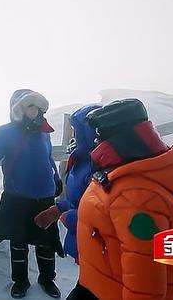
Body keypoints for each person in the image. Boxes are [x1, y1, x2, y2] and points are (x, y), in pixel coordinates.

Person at [68, 99, 173, 300]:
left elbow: (145, 277)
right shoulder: (123, 170)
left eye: (99, 137)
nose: (95, 143)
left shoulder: (136, 197)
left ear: (120, 139)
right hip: (99, 283)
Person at [0, 89, 64, 299]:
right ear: (18, 110)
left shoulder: (44, 130)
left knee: (46, 241)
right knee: (19, 241)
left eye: (36, 106)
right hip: (18, 195)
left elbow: (48, 156)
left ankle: (47, 279)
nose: (34, 110)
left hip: (44, 193)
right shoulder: (6, 131)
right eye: (29, 106)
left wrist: (55, 177)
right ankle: (20, 281)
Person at [34, 104, 102, 261]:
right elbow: (78, 198)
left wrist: (73, 218)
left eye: (76, 130)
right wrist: (58, 209)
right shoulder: (83, 159)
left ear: (89, 133)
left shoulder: (98, 166)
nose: (74, 135)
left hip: (96, 246)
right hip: (82, 242)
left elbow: (103, 211)